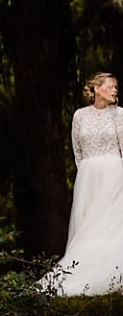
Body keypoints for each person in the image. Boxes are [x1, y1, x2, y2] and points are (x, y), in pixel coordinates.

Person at [40, 71, 123, 295]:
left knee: (109, 226)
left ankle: (112, 274)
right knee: (88, 227)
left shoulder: (119, 115)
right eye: (110, 85)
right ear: (96, 89)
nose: (115, 90)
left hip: (114, 176)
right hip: (88, 178)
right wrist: (87, 172)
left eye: (116, 87)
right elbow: (77, 151)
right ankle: (82, 272)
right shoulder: (80, 116)